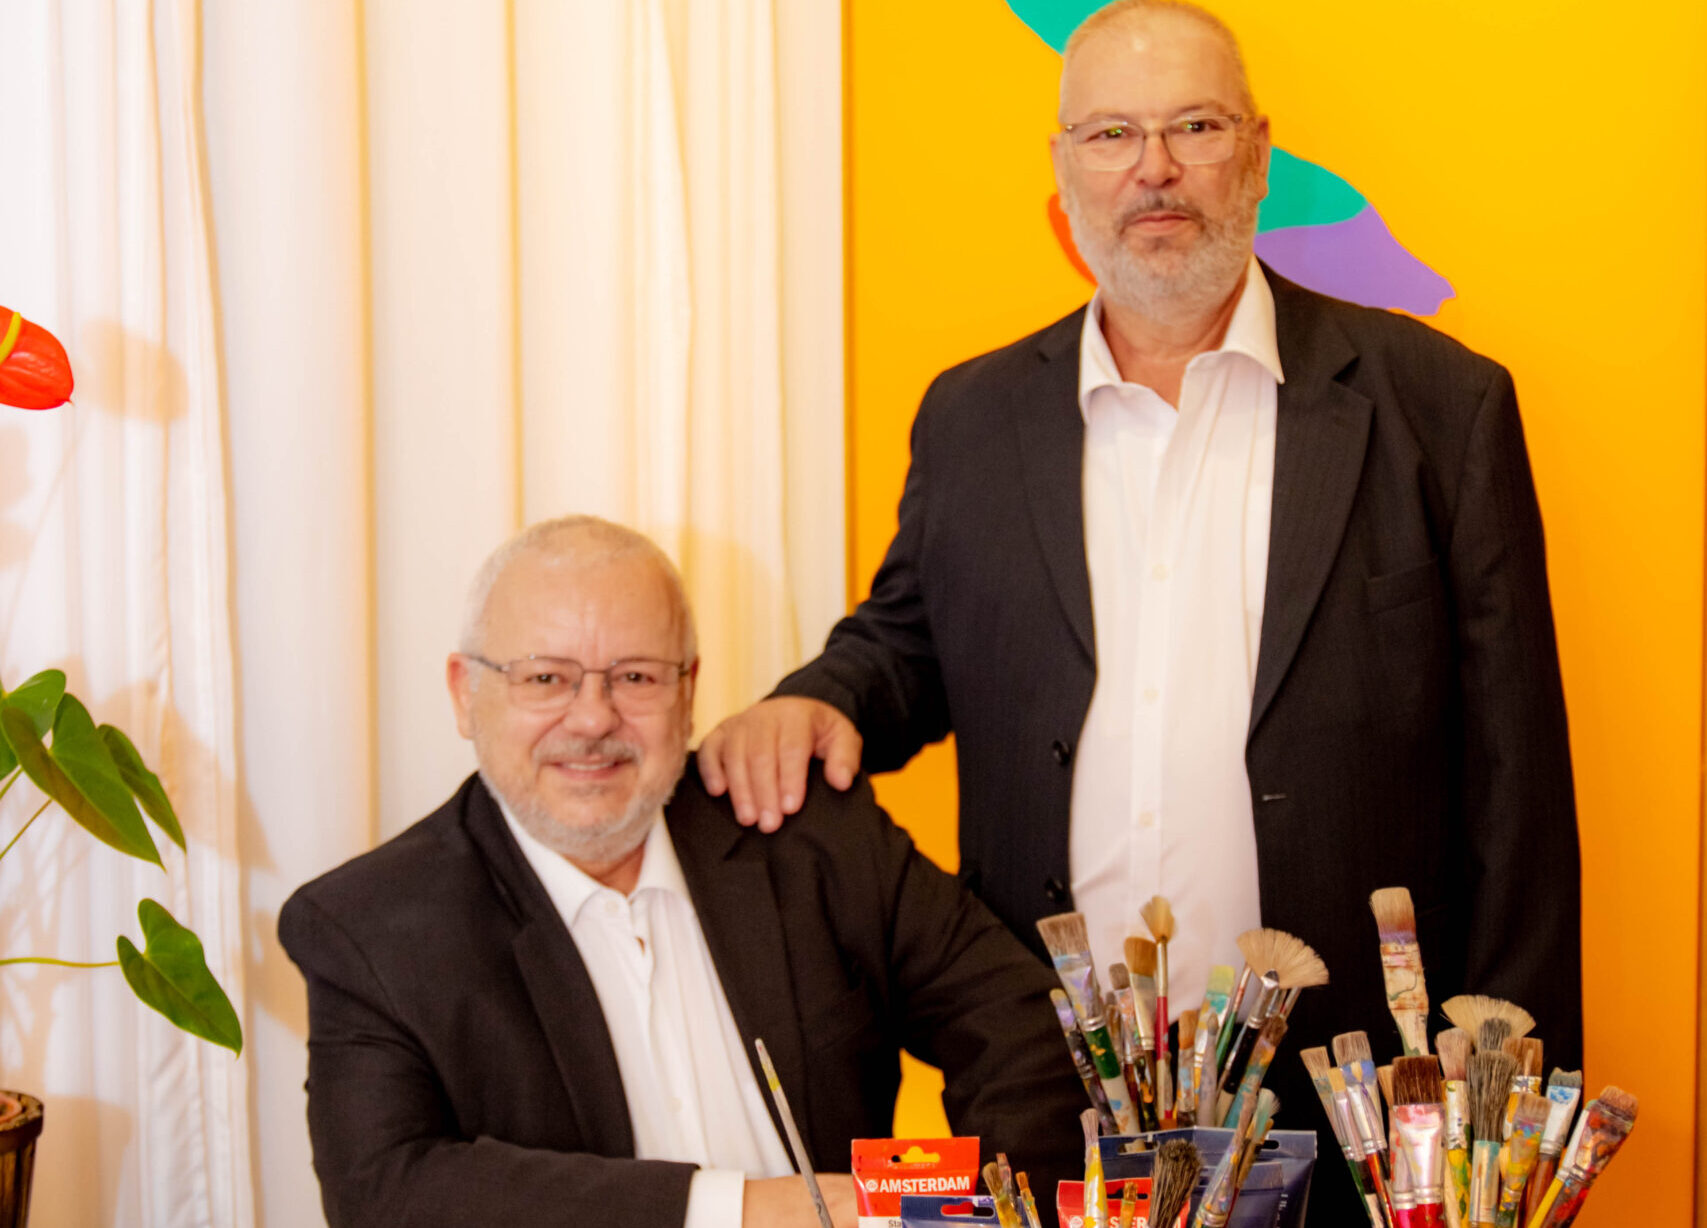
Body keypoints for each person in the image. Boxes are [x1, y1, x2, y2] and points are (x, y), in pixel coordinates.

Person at [700, 2, 1581, 1218]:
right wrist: (819, 698)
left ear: (1258, 156)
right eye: (1111, 133)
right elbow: (910, 637)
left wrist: (1505, 1128)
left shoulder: (1440, 406)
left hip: (1361, 1114)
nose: (1153, 168)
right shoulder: (972, 418)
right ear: (1064, 172)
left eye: (1195, 127)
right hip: (1052, 1095)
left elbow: (1520, 793)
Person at [279, 516, 1085, 1228]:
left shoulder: (808, 831)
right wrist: (744, 1212)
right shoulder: (369, 928)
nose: (592, 718)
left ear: (688, 690)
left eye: (634, 676)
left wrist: (969, 1212)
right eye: (545, 677)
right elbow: (388, 1193)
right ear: (465, 693)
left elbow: (1030, 1032)